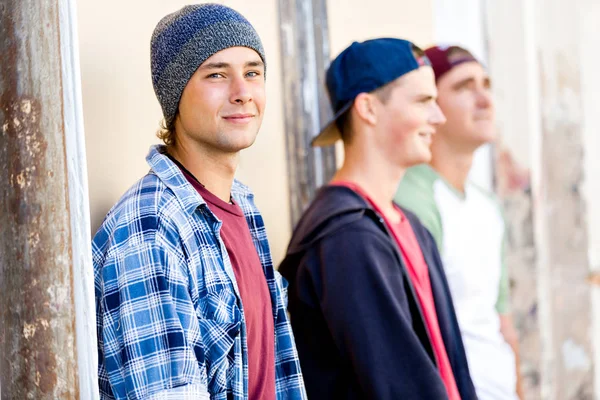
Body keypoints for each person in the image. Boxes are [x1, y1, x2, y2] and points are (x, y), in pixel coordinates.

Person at [92, 4, 306, 399]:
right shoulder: (151, 226)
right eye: (217, 75)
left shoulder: (241, 209)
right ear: (176, 94)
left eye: (253, 73)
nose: (243, 93)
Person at [278, 38, 477, 400]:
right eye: (423, 101)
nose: (439, 117)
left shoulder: (409, 224)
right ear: (368, 109)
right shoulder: (346, 237)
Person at [395, 44, 523, 399]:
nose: (485, 99)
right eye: (464, 87)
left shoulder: (488, 205)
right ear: (431, 106)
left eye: (486, 84)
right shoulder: (410, 200)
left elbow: (502, 323)